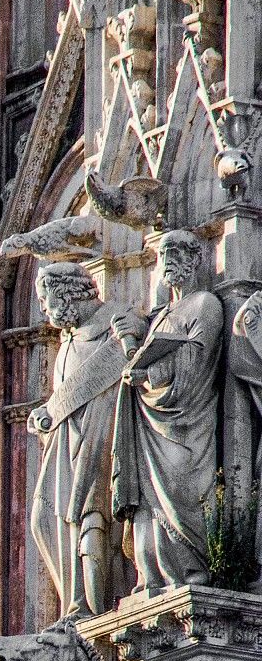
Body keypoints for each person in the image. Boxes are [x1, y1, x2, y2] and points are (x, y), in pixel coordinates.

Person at [110, 228, 224, 593]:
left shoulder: (205, 303)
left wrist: (150, 373)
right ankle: (151, 578)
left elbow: (198, 358)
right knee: (147, 504)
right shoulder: (161, 315)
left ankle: (191, 572)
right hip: (149, 423)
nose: (170, 260)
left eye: (179, 252)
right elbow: (150, 355)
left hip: (186, 419)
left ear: (197, 260)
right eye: (164, 254)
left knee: (181, 491)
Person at [28, 262, 125, 617]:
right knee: (43, 518)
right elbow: (63, 400)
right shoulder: (67, 343)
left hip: (100, 438)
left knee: (91, 522)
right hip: (64, 445)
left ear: (66, 292)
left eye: (44, 299)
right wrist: (45, 416)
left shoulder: (114, 321)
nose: (43, 308)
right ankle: (74, 597)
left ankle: (90, 611)